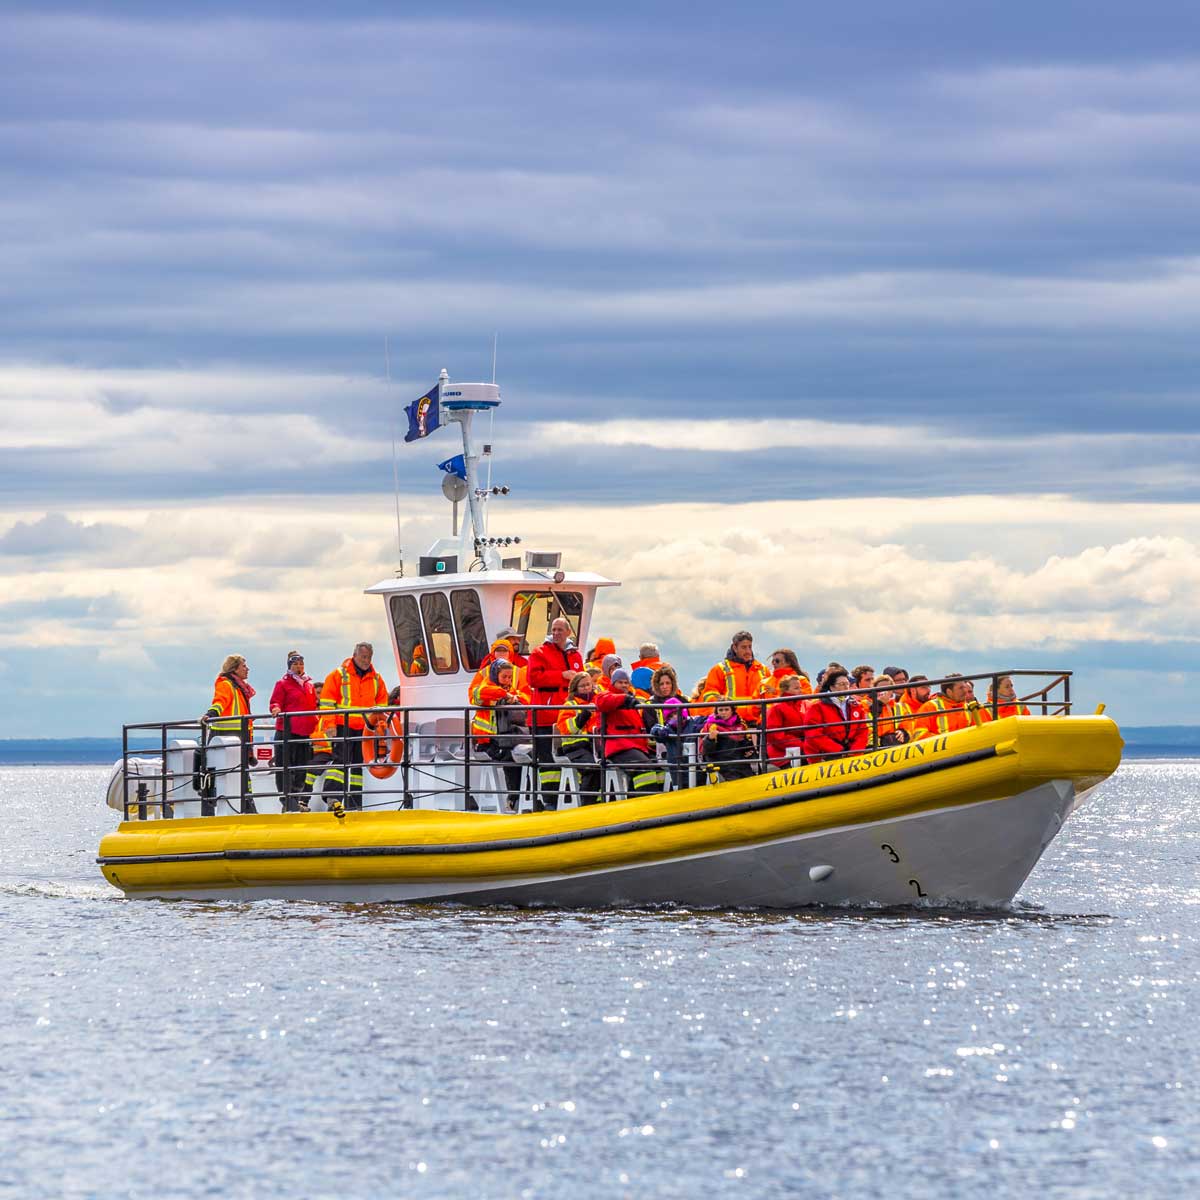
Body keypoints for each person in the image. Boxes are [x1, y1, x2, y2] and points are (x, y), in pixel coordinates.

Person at [316, 641, 389, 810]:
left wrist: (380, 725)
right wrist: (330, 724)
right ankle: (332, 797)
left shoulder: (376, 678)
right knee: (340, 761)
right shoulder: (338, 675)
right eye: (363, 657)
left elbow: (382, 703)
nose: (366, 660)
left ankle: (355, 803)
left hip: (364, 729)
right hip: (343, 725)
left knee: (357, 765)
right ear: (355, 655)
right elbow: (327, 703)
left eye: (369, 657)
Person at [526, 616, 585, 809]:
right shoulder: (539, 652)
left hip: (567, 718)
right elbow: (533, 678)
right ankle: (550, 800)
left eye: (560, 630)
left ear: (568, 632)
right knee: (547, 760)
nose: (557, 633)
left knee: (566, 757)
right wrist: (562, 676)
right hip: (544, 716)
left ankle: (568, 798)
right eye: (554, 629)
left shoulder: (575, 655)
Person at [594, 668, 665, 794]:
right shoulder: (606, 695)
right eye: (620, 682)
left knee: (660, 768)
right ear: (613, 683)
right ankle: (648, 802)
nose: (624, 685)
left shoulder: (631, 700)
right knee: (644, 769)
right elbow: (602, 702)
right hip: (617, 747)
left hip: (635, 746)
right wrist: (624, 699)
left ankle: (642, 800)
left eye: (626, 682)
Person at [471, 660, 529, 812]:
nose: (508, 680)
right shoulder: (483, 689)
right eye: (504, 677)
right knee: (511, 757)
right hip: (485, 743)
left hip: (504, 741)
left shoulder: (511, 691)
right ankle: (514, 799)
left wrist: (513, 697)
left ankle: (524, 798)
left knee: (523, 755)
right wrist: (505, 695)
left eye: (510, 677)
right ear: (495, 676)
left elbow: (527, 699)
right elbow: (480, 694)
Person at [268, 650, 317, 812]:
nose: (299, 667)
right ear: (289, 666)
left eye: (301, 664)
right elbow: (275, 701)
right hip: (287, 731)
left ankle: (295, 798)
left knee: (301, 768)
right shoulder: (282, 684)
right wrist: (276, 709)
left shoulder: (309, 685)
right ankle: (286, 799)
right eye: (295, 664)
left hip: (304, 732)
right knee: (286, 767)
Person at [553, 671, 602, 804]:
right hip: (575, 747)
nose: (586, 688)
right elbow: (567, 729)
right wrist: (584, 714)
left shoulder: (599, 701)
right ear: (575, 688)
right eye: (582, 686)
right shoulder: (570, 705)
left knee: (606, 766)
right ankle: (587, 804)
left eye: (588, 684)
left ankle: (603, 802)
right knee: (592, 768)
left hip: (595, 746)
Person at [804, 667, 869, 763]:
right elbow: (814, 734)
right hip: (827, 754)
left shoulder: (856, 706)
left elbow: (862, 731)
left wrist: (855, 750)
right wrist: (839, 750)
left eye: (847, 684)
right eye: (841, 684)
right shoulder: (817, 706)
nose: (846, 687)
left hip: (850, 751)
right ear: (832, 687)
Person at [701, 630, 768, 722]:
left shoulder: (762, 669)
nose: (748, 651)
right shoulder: (720, 669)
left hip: (759, 723)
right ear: (735, 648)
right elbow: (709, 695)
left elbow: (771, 695)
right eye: (744, 647)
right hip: (731, 724)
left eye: (750, 647)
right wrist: (723, 715)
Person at [645, 664, 691, 784]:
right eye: (661, 684)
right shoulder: (650, 704)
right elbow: (651, 730)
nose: (665, 687)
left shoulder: (683, 701)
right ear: (656, 685)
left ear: (673, 684)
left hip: (686, 742)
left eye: (668, 683)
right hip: (660, 746)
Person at [701, 702, 757, 781]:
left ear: (732, 711)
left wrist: (750, 752)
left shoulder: (741, 724)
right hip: (722, 765)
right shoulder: (711, 726)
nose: (723, 712)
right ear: (716, 712)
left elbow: (748, 745)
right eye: (721, 710)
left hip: (741, 764)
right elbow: (706, 752)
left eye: (726, 709)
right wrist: (710, 739)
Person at [915, 674, 977, 739]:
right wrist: (946, 741)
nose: (965, 691)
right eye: (961, 688)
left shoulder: (969, 708)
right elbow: (919, 735)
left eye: (965, 687)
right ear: (949, 692)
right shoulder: (930, 707)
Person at [765, 674, 809, 767]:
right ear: (786, 690)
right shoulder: (777, 708)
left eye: (800, 687)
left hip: (805, 748)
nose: (800, 690)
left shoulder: (806, 704)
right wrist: (802, 745)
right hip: (782, 753)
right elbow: (775, 735)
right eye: (796, 688)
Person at [867, 674, 910, 747]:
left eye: (887, 688)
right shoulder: (865, 704)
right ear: (874, 691)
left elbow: (908, 726)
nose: (884, 691)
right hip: (875, 748)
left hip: (897, 744)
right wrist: (879, 703)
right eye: (880, 689)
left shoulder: (899, 707)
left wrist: (903, 733)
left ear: (892, 691)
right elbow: (867, 731)